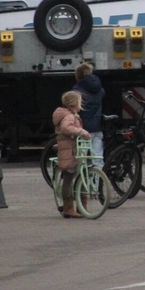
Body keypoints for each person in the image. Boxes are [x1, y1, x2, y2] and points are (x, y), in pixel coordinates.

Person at [52, 90, 90, 219]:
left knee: (74, 176)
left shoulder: (68, 115)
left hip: (70, 150)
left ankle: (78, 208)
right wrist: (82, 132)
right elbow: (66, 128)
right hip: (71, 151)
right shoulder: (69, 116)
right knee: (70, 177)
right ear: (75, 104)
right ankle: (70, 208)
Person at [72, 62, 105, 168]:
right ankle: (98, 180)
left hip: (83, 129)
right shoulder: (99, 90)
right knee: (98, 156)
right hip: (97, 127)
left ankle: (83, 180)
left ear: (78, 76)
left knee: (82, 158)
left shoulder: (77, 91)